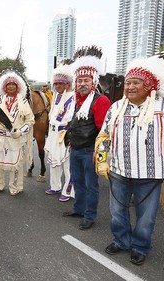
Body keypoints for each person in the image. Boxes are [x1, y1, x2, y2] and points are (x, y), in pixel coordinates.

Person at [95, 54, 164, 265]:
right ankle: (121, 240)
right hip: (119, 170)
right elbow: (104, 136)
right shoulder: (116, 108)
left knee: (146, 217)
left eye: (136, 83)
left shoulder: (161, 108)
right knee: (116, 212)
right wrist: (101, 160)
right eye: (128, 83)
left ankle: (140, 246)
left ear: (149, 85)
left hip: (151, 175)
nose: (130, 87)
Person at [63, 46, 111, 230]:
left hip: (91, 152)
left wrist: (101, 157)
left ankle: (90, 216)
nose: (82, 84)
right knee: (77, 181)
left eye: (86, 80)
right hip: (75, 150)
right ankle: (79, 209)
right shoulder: (75, 101)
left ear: (93, 82)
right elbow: (72, 125)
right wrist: (70, 143)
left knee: (92, 185)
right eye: (79, 80)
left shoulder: (101, 101)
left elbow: (105, 132)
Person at [0, 70, 34, 196]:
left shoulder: (23, 101)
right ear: (4, 87)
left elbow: (30, 120)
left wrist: (20, 131)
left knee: (15, 163)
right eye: (8, 84)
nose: (10, 86)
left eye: (13, 84)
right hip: (0, 136)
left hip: (15, 137)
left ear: (17, 86)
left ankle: (15, 186)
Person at [44, 63, 75, 202]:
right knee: (53, 162)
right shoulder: (56, 96)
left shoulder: (72, 97)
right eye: (55, 84)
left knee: (67, 164)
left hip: (64, 134)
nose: (57, 87)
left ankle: (68, 191)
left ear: (67, 84)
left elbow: (69, 117)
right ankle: (55, 186)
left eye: (60, 84)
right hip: (53, 133)